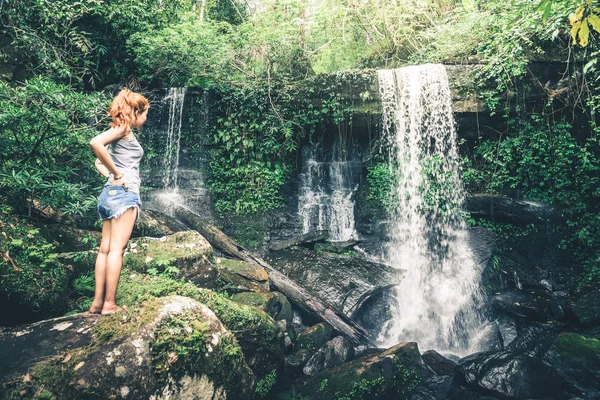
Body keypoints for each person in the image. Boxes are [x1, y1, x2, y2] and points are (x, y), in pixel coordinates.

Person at [88, 88, 149, 315]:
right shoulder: (123, 129)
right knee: (116, 250)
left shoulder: (117, 130)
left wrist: (111, 173)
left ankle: (96, 303)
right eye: (144, 114)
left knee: (104, 250)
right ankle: (109, 304)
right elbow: (96, 143)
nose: (145, 119)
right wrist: (119, 175)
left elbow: (99, 161)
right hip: (125, 193)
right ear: (135, 112)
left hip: (108, 195)